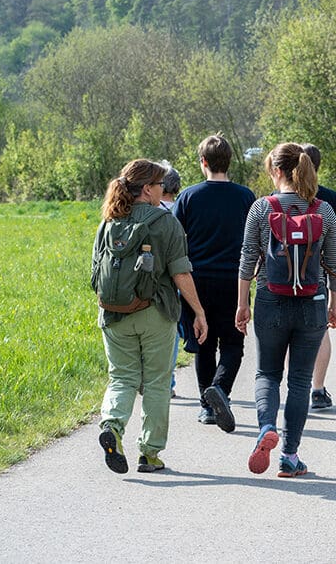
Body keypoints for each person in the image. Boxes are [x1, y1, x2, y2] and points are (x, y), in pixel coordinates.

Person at [94, 159, 208, 474]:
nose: (162, 190)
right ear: (147, 188)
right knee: (157, 382)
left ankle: (113, 427)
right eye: (160, 185)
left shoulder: (109, 221)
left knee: (122, 377)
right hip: (155, 312)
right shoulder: (165, 221)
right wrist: (198, 311)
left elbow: (95, 271)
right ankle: (150, 453)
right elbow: (181, 273)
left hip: (114, 313)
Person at [236, 142, 336, 478]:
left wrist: (243, 304)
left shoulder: (260, 208)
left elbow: (246, 261)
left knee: (267, 373)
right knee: (299, 380)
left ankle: (267, 426)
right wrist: (334, 305)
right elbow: (335, 264)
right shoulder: (323, 211)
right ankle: (290, 456)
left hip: (270, 299)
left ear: (277, 171)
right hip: (312, 302)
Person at [173, 135, 256, 432]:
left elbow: (174, 240)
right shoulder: (246, 197)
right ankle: (221, 389)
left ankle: (207, 407)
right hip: (235, 280)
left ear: (203, 162)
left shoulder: (188, 197)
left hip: (197, 281)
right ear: (229, 161)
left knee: (204, 342)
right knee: (234, 343)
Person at [299, 143, 336, 410]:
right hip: (317, 276)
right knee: (319, 331)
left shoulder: (276, 197)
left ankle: (296, 386)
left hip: (280, 277)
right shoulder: (330, 198)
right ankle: (317, 390)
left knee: (288, 332)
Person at [158, 162, 182, 397]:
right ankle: (168, 380)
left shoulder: (150, 210)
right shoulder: (182, 209)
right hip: (177, 278)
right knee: (171, 332)